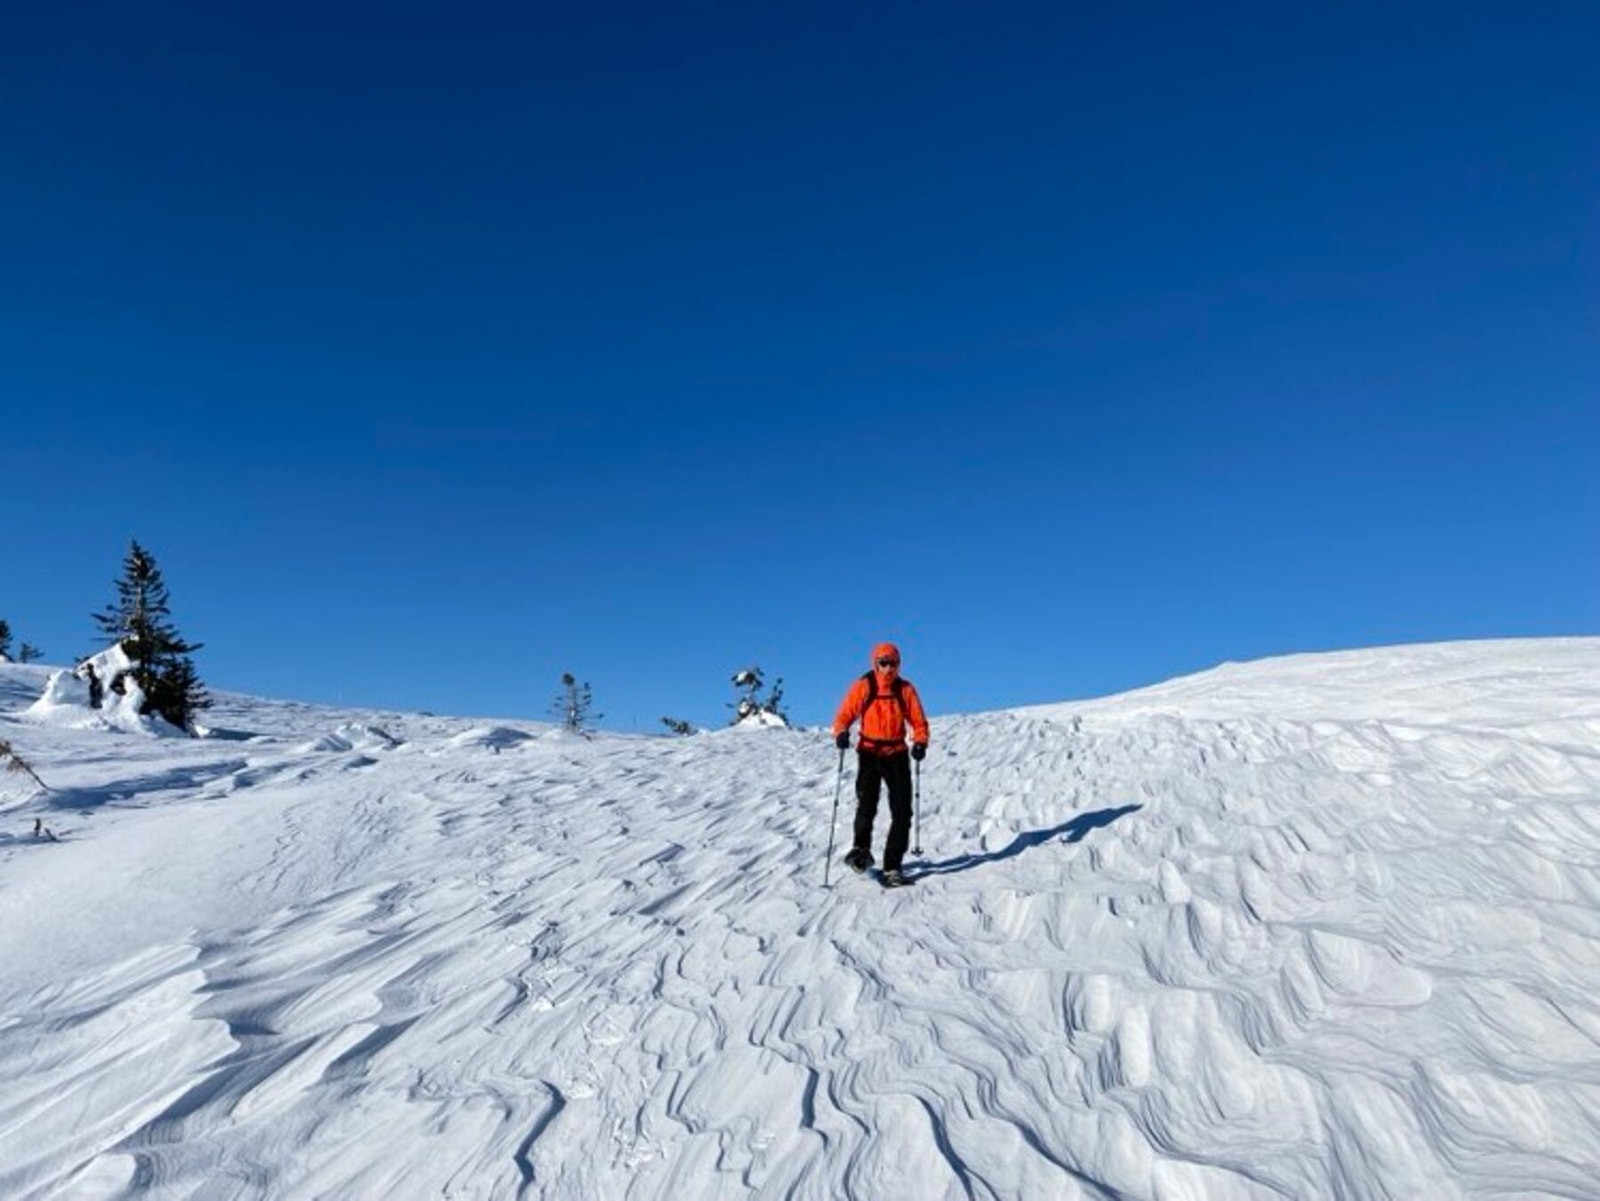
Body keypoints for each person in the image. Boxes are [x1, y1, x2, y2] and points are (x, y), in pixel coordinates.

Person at [832, 642, 930, 887]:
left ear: (899, 664)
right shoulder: (864, 685)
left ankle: (892, 866)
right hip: (869, 752)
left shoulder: (905, 689)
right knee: (866, 805)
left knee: (902, 811)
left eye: (892, 663)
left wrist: (920, 742)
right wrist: (841, 732)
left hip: (896, 753)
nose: (887, 669)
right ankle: (861, 852)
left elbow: (918, 720)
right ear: (875, 664)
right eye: (882, 663)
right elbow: (844, 714)